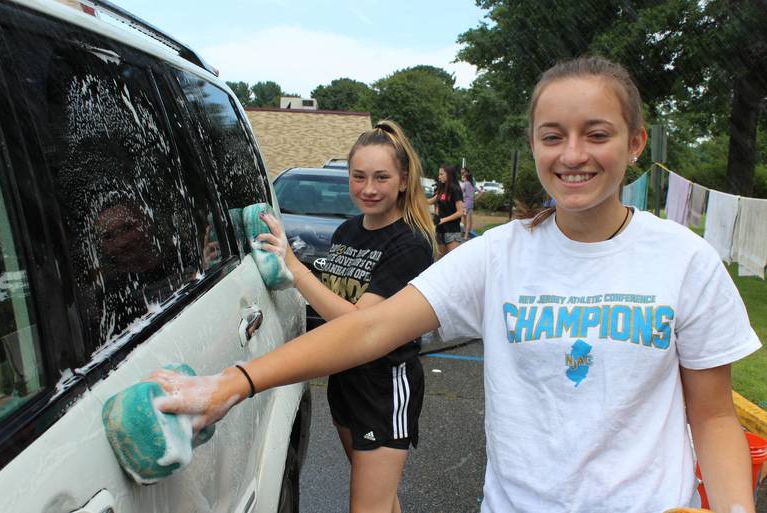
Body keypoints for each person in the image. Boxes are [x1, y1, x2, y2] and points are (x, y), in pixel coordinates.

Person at [150, 57, 761, 513]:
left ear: (634, 143)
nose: (573, 154)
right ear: (534, 145)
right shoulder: (498, 255)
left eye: (596, 133)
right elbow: (369, 327)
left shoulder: (686, 259)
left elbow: (710, 417)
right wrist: (234, 383)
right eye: (553, 135)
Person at [265, 119, 437, 512]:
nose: (369, 188)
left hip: (384, 388)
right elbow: (327, 304)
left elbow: (359, 324)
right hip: (346, 380)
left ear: (404, 180)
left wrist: (295, 266)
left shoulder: (409, 244)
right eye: (358, 176)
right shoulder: (346, 232)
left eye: (381, 177)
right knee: (380, 499)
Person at [428, 164, 464, 256]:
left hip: (452, 230)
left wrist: (443, 220)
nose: (439, 176)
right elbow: (432, 201)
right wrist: (414, 199)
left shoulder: (455, 190)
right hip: (440, 230)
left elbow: (460, 212)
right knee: (441, 261)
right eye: (439, 174)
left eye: (441, 174)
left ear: (449, 175)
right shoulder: (442, 188)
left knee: (452, 261)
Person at [460, 167, 477, 240]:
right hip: (470, 203)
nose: (462, 175)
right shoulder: (471, 183)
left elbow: (460, 190)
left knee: (465, 219)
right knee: (467, 219)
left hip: (465, 203)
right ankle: (466, 233)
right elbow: (478, 190)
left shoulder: (466, 183)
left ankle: (466, 234)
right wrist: (474, 198)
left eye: (463, 174)